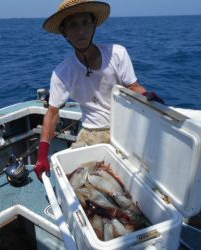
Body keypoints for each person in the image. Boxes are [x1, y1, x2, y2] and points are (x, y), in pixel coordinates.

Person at [34, 0, 164, 181]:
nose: (80, 31)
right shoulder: (62, 73)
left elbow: (133, 87)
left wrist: (146, 96)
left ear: (94, 24)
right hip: (90, 134)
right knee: (71, 180)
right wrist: (42, 156)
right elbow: (52, 113)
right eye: (72, 25)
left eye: (85, 22)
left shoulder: (117, 53)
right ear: (64, 31)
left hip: (124, 131)